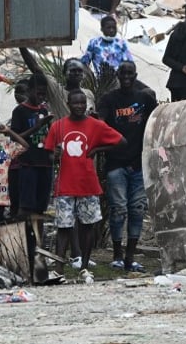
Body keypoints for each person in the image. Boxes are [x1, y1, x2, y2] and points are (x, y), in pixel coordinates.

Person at [45, 89, 126, 282]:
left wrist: (98, 148)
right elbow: (49, 151)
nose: (79, 106)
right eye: (76, 103)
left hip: (88, 184)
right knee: (64, 227)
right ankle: (59, 269)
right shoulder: (58, 126)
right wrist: (54, 156)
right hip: (64, 185)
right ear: (68, 104)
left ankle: (84, 267)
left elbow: (121, 141)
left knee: (87, 226)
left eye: (83, 103)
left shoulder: (95, 125)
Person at [97, 61, 158, 272]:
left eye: (129, 73)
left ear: (135, 75)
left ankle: (130, 257)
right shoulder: (108, 100)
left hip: (139, 163)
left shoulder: (144, 99)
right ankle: (117, 254)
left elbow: (156, 122)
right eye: (122, 73)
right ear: (117, 75)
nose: (126, 76)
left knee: (137, 209)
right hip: (116, 163)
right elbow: (100, 123)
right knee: (118, 209)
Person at [8, 74, 55, 219]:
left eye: (43, 94)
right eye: (38, 93)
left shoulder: (44, 110)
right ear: (29, 90)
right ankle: (24, 238)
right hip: (28, 164)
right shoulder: (20, 111)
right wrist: (36, 127)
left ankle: (37, 240)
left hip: (45, 163)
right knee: (26, 206)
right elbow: (14, 137)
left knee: (40, 208)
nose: (41, 97)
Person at [81, 15, 134, 85]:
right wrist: (91, 78)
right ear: (102, 29)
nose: (111, 30)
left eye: (114, 28)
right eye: (108, 28)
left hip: (119, 81)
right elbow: (84, 62)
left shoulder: (121, 43)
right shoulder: (94, 43)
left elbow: (129, 63)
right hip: (100, 82)